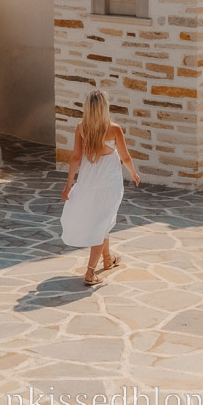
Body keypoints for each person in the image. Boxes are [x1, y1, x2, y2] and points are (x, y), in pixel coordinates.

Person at [60, 90, 140, 286]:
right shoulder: (114, 129)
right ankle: (90, 273)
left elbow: (76, 158)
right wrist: (133, 173)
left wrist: (68, 184)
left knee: (102, 221)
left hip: (88, 183)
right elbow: (125, 156)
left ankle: (108, 258)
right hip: (109, 185)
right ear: (104, 108)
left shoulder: (81, 128)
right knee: (101, 224)